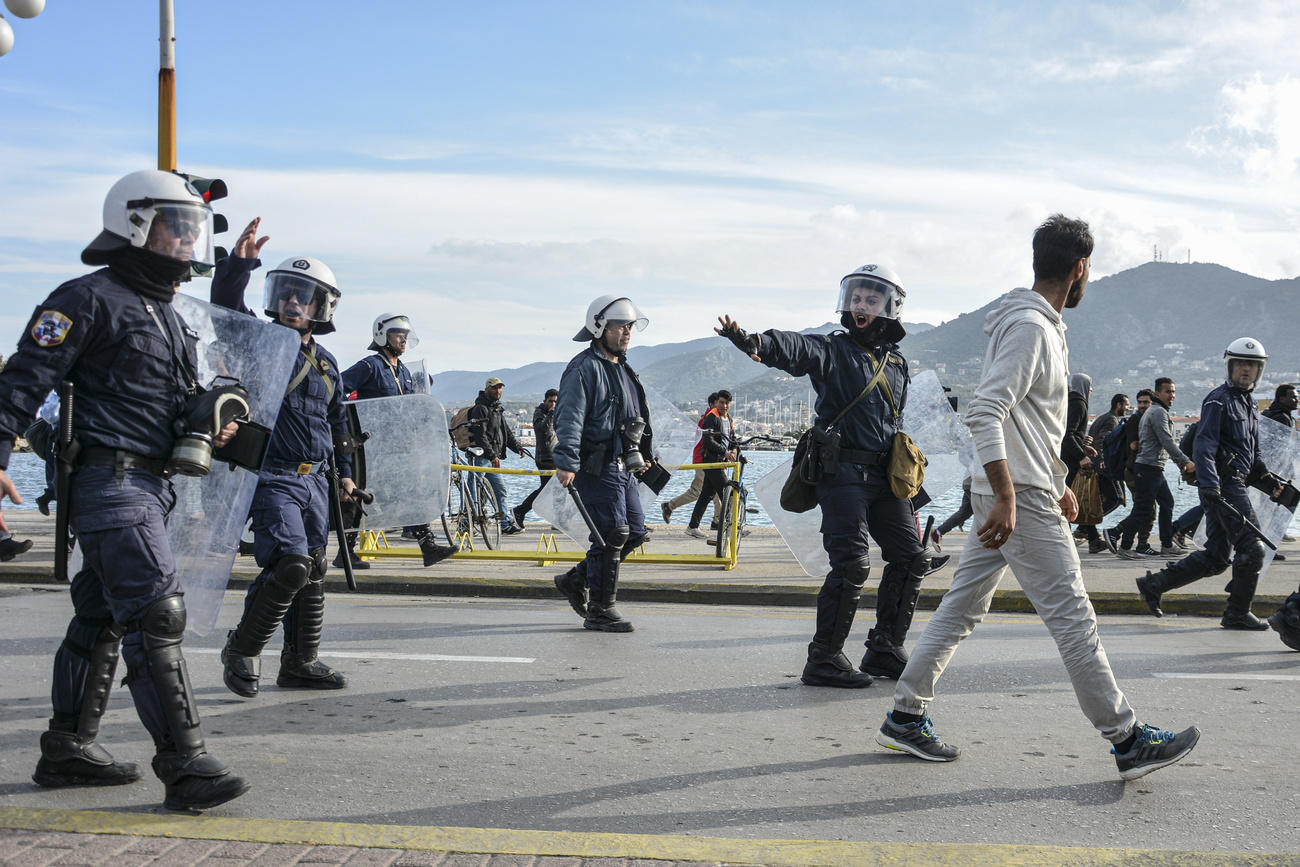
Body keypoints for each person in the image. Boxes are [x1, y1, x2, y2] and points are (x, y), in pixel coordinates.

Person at [876, 214, 1199, 780]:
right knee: (1075, 619)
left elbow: (1033, 422)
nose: (1088, 279)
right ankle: (1125, 739)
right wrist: (1010, 494)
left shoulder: (1030, 323)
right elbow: (986, 411)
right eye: (1089, 270)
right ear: (1078, 268)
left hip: (1017, 490)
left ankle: (905, 714)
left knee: (960, 608)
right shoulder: (1031, 328)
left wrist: (1059, 482)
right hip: (1016, 499)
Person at [0, 170, 248, 809]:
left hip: (151, 485)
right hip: (111, 484)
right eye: (179, 225)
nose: (190, 239)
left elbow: (166, 400)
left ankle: (67, 749)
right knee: (156, 612)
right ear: (135, 223)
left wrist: (211, 419)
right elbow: (21, 383)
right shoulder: (85, 298)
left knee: (101, 614)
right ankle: (185, 765)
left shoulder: (170, 314)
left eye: (196, 229)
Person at [717, 264, 940, 687]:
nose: (860, 305)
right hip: (841, 474)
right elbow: (795, 348)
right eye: (856, 297)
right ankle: (824, 658)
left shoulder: (897, 364)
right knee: (853, 563)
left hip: (884, 475)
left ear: (890, 308)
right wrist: (753, 342)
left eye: (871, 299)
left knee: (912, 558)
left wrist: (911, 491)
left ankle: (884, 648)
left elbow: (893, 425)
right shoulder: (831, 349)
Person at [213, 219, 358, 697]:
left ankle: (300, 662)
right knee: (291, 563)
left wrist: (346, 476)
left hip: (316, 479)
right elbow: (224, 311)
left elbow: (338, 425)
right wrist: (238, 267)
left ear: (322, 306)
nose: (293, 302)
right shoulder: (258, 342)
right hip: (272, 477)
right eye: (286, 293)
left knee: (315, 566)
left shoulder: (329, 362)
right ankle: (243, 647)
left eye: (304, 296)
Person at [1137, 339, 1290, 630]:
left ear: (1259, 370)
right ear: (1230, 367)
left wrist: (1272, 484)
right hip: (1224, 485)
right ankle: (1236, 613)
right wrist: (1210, 485)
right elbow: (1205, 446)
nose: (1246, 370)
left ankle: (1154, 585)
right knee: (1253, 548)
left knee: (1218, 556)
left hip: (1233, 483)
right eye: (1241, 364)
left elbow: (1253, 458)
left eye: (1252, 365)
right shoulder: (1218, 400)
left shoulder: (1250, 404)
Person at [552, 296, 654, 632]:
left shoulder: (623, 368)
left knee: (635, 532)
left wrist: (644, 452)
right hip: (595, 464)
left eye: (629, 326)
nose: (627, 332)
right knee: (612, 532)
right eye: (620, 326)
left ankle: (575, 579)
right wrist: (566, 462)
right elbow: (569, 418)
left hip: (623, 464)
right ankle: (600, 608)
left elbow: (635, 417)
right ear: (600, 327)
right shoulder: (583, 368)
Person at [339, 312, 454, 565]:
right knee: (359, 494)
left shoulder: (403, 372)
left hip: (399, 446)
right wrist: (350, 421)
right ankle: (344, 553)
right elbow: (338, 388)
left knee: (412, 490)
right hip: (371, 448)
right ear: (382, 336)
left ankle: (428, 546)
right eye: (398, 334)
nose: (403, 339)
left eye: (405, 335)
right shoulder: (370, 366)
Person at [1104, 378, 1194, 558]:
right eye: (1168, 391)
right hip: (1148, 467)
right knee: (1143, 508)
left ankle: (1167, 545)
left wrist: (1178, 462)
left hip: (1154, 467)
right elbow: (1166, 441)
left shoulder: (1157, 412)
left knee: (1167, 503)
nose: (1172, 395)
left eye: (1173, 391)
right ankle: (1125, 547)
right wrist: (1185, 461)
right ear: (1158, 394)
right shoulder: (1158, 412)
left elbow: (1162, 443)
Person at [469, 377, 525, 536]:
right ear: (487, 389)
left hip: (492, 459)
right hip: (480, 458)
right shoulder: (480, 408)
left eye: (500, 388)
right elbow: (480, 436)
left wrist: (518, 448)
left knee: (500, 490)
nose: (498, 391)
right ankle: (466, 523)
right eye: (494, 388)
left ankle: (504, 523)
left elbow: (505, 432)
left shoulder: (497, 409)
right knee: (474, 493)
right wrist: (493, 455)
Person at [1079, 392, 1128, 551]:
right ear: (1119, 405)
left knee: (1097, 500)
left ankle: (1086, 528)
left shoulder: (1104, 417)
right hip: (1103, 467)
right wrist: (1102, 460)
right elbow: (1102, 440)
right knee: (1116, 498)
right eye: (1126, 405)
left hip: (1096, 465)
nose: (1127, 408)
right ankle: (1085, 526)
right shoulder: (1111, 420)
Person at [661, 393, 720, 524]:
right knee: (697, 492)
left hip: (709, 460)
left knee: (717, 491)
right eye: (719, 403)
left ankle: (718, 521)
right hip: (703, 460)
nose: (722, 406)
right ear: (712, 404)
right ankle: (669, 506)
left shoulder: (715, 418)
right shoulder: (708, 419)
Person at [685, 389, 737, 538]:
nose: (724, 406)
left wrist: (733, 451)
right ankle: (731, 529)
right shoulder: (711, 418)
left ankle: (692, 527)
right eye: (721, 402)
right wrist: (724, 452)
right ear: (717, 402)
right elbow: (708, 441)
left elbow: (732, 439)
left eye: (727, 403)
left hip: (721, 462)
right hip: (712, 461)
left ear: (730, 404)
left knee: (706, 495)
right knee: (726, 492)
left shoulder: (729, 419)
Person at [1060, 373, 1100, 549]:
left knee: (1074, 496)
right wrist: (1081, 456)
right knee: (1073, 496)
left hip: (1067, 456)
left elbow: (1071, 432)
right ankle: (1084, 538)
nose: (1091, 390)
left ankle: (1092, 539)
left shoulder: (1069, 401)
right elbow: (1068, 434)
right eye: (1090, 386)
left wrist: (1083, 445)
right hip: (1070, 460)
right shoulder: (1078, 403)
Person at [513, 388, 558, 527]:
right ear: (545, 401)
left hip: (556, 456)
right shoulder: (540, 412)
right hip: (545, 458)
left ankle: (556, 520)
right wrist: (551, 413)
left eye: (555, 401)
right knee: (546, 490)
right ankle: (520, 511)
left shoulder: (558, 413)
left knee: (557, 490)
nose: (553, 404)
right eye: (550, 401)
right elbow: (543, 430)